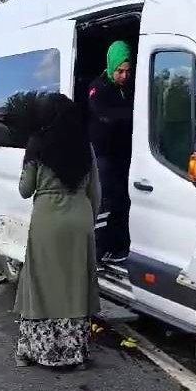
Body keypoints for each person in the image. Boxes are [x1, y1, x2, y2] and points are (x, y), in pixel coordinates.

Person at [16, 93, 101, 369]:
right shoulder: (84, 146)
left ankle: (32, 352)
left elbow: (25, 190)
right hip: (79, 218)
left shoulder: (36, 144)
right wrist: (89, 221)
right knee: (75, 286)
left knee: (39, 284)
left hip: (47, 221)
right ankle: (75, 354)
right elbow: (95, 192)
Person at [88, 40, 134, 264]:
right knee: (105, 204)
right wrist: (132, 114)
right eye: (120, 71)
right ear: (111, 67)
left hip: (122, 156)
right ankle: (96, 253)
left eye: (127, 71)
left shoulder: (127, 89)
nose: (124, 75)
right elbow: (105, 113)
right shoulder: (99, 88)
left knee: (122, 202)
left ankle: (117, 248)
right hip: (103, 156)